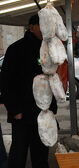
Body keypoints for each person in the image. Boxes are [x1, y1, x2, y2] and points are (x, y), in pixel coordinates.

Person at [0, 14, 57, 168]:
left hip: (43, 112)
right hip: (22, 113)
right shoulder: (16, 49)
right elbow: (6, 83)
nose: (45, 29)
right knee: (18, 155)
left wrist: (53, 108)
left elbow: (53, 79)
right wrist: (15, 110)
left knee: (41, 155)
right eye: (42, 25)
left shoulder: (49, 48)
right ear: (31, 27)